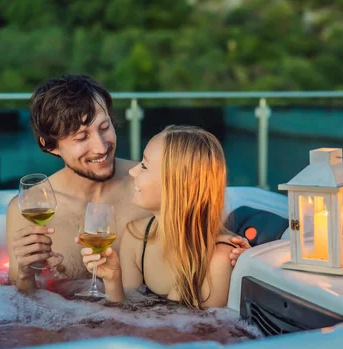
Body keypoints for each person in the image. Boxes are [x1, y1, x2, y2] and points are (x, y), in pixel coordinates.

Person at [6, 75, 248, 292]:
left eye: (104, 127)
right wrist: (26, 275)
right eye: (81, 137)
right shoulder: (28, 208)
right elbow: (21, 302)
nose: (101, 147)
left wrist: (242, 255)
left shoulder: (152, 186)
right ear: (49, 145)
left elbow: (201, 232)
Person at [81, 125, 237, 308]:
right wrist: (112, 279)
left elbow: (201, 331)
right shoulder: (137, 237)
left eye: (144, 166)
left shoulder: (218, 259)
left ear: (177, 184)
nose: (132, 171)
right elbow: (122, 318)